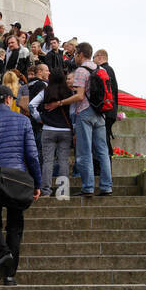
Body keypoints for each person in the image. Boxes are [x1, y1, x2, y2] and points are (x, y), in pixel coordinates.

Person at [0, 85, 41, 285]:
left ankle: (3, 253)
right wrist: (37, 182)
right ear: (9, 100)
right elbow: (32, 154)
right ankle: (10, 275)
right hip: (18, 179)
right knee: (15, 225)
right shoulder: (23, 120)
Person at [63, 43, 113, 198]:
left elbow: (79, 96)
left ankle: (88, 187)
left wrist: (60, 103)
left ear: (80, 54)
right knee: (103, 151)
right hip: (100, 113)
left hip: (85, 112)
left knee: (84, 152)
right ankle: (106, 187)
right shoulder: (101, 69)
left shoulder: (81, 71)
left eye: (76, 54)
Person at [33, 70, 74, 199]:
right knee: (63, 161)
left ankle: (46, 191)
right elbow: (73, 112)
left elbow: (31, 105)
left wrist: (40, 118)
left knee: (47, 161)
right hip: (66, 130)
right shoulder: (69, 93)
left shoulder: (45, 91)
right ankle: (62, 192)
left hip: (48, 129)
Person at [94, 49, 119, 157]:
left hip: (106, 109)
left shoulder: (103, 70)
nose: (93, 60)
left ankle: (105, 165)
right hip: (111, 109)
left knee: (103, 140)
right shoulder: (109, 69)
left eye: (93, 57)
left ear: (99, 57)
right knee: (104, 137)